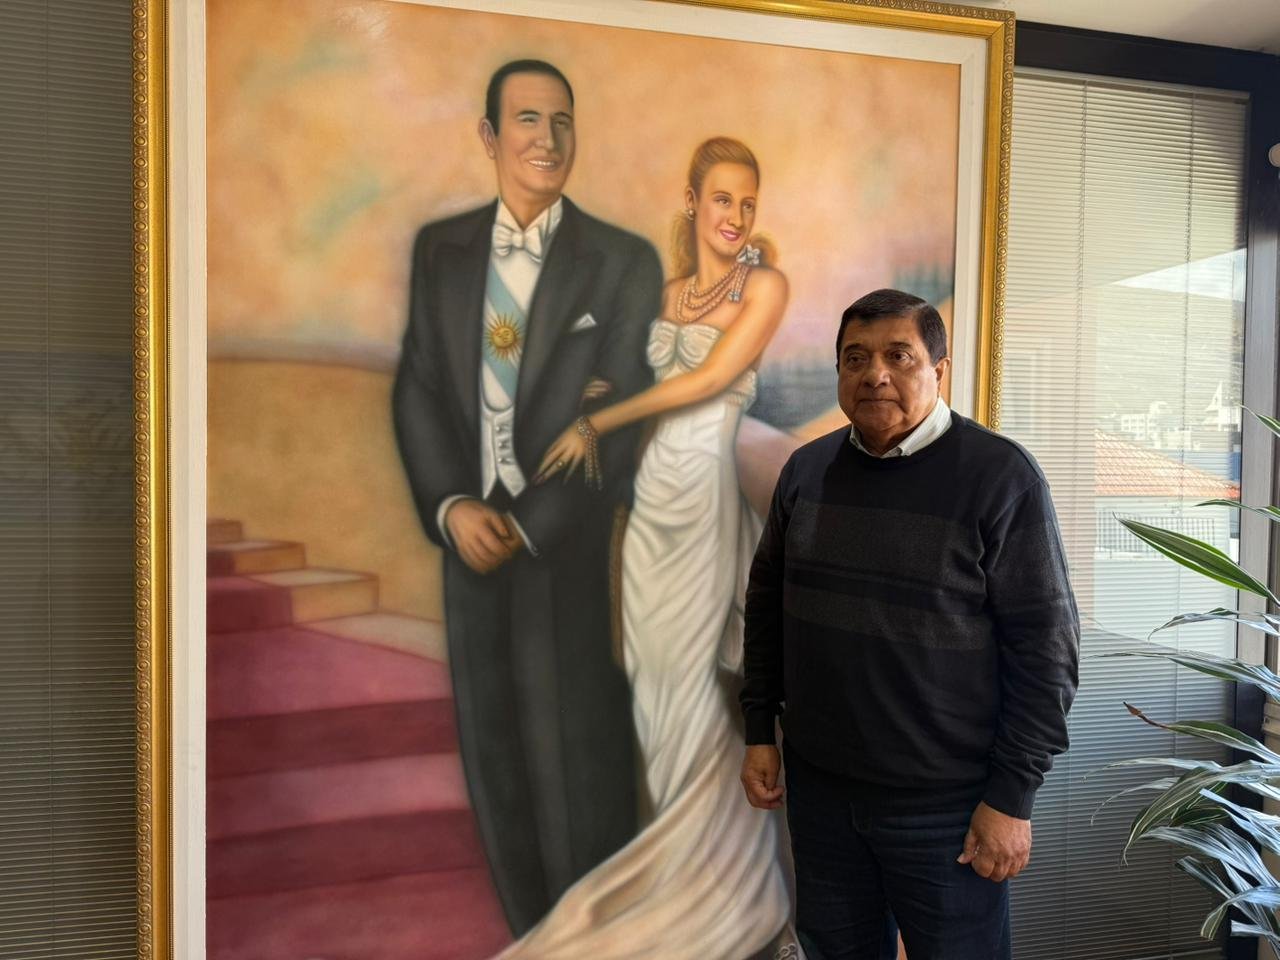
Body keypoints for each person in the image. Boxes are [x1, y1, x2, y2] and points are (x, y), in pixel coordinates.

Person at [497, 137, 796, 959]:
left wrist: (596, 421)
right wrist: (593, 390)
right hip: (650, 507)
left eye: (748, 203)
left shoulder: (765, 286)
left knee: (696, 691)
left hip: (702, 500)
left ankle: (733, 897)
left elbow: (705, 382)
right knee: (653, 690)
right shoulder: (663, 294)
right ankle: (678, 877)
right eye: (722, 199)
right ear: (693, 202)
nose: (736, 216)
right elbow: (632, 375)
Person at [391, 59, 662, 936]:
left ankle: (592, 945)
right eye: (528, 120)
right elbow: (418, 387)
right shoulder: (441, 250)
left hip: (563, 549)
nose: (547, 139)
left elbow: (621, 410)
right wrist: (451, 509)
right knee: (496, 759)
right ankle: (531, 942)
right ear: (489, 136)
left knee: (578, 765)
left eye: (562, 121)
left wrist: (528, 524)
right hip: (466, 550)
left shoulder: (623, 260)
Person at [739, 289, 1080, 960]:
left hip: (948, 809)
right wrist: (759, 730)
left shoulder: (1000, 477)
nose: (875, 374)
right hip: (822, 795)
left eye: (899, 356)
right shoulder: (807, 471)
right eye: (855, 358)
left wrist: (1012, 798)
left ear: (939, 370)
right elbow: (767, 603)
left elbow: (1048, 654)